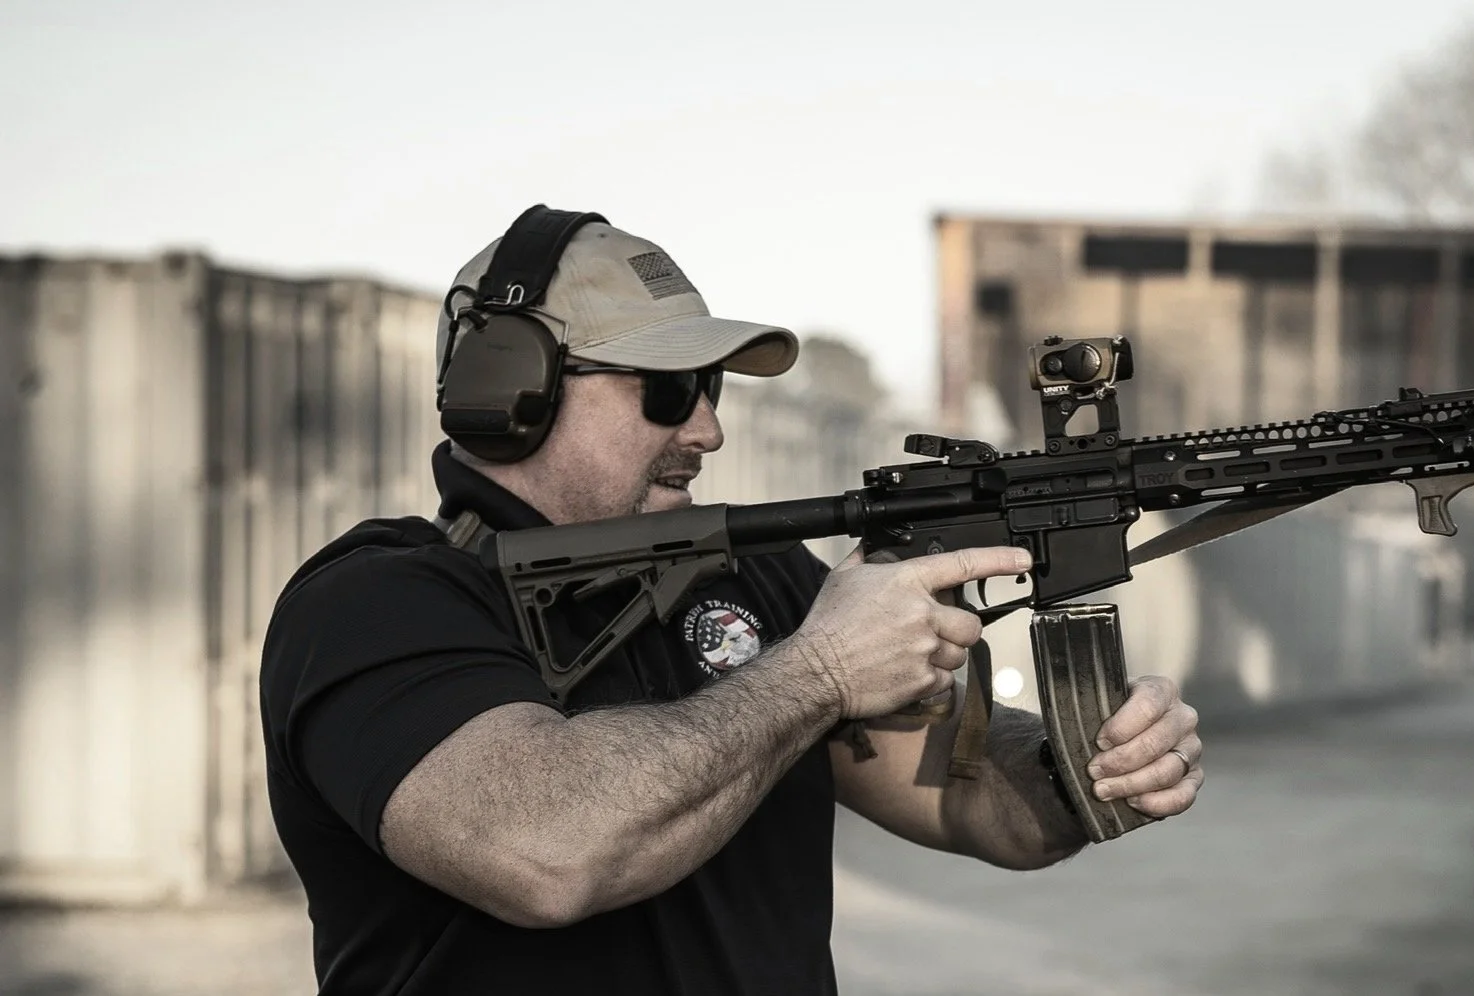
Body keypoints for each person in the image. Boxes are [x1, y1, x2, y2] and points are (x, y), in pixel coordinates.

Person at [257, 208, 1205, 995]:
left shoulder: (755, 575)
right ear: (510, 390)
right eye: (669, 389)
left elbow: (970, 808)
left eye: (708, 386)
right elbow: (543, 853)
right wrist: (822, 670)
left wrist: (1085, 771)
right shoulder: (375, 603)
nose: (707, 427)